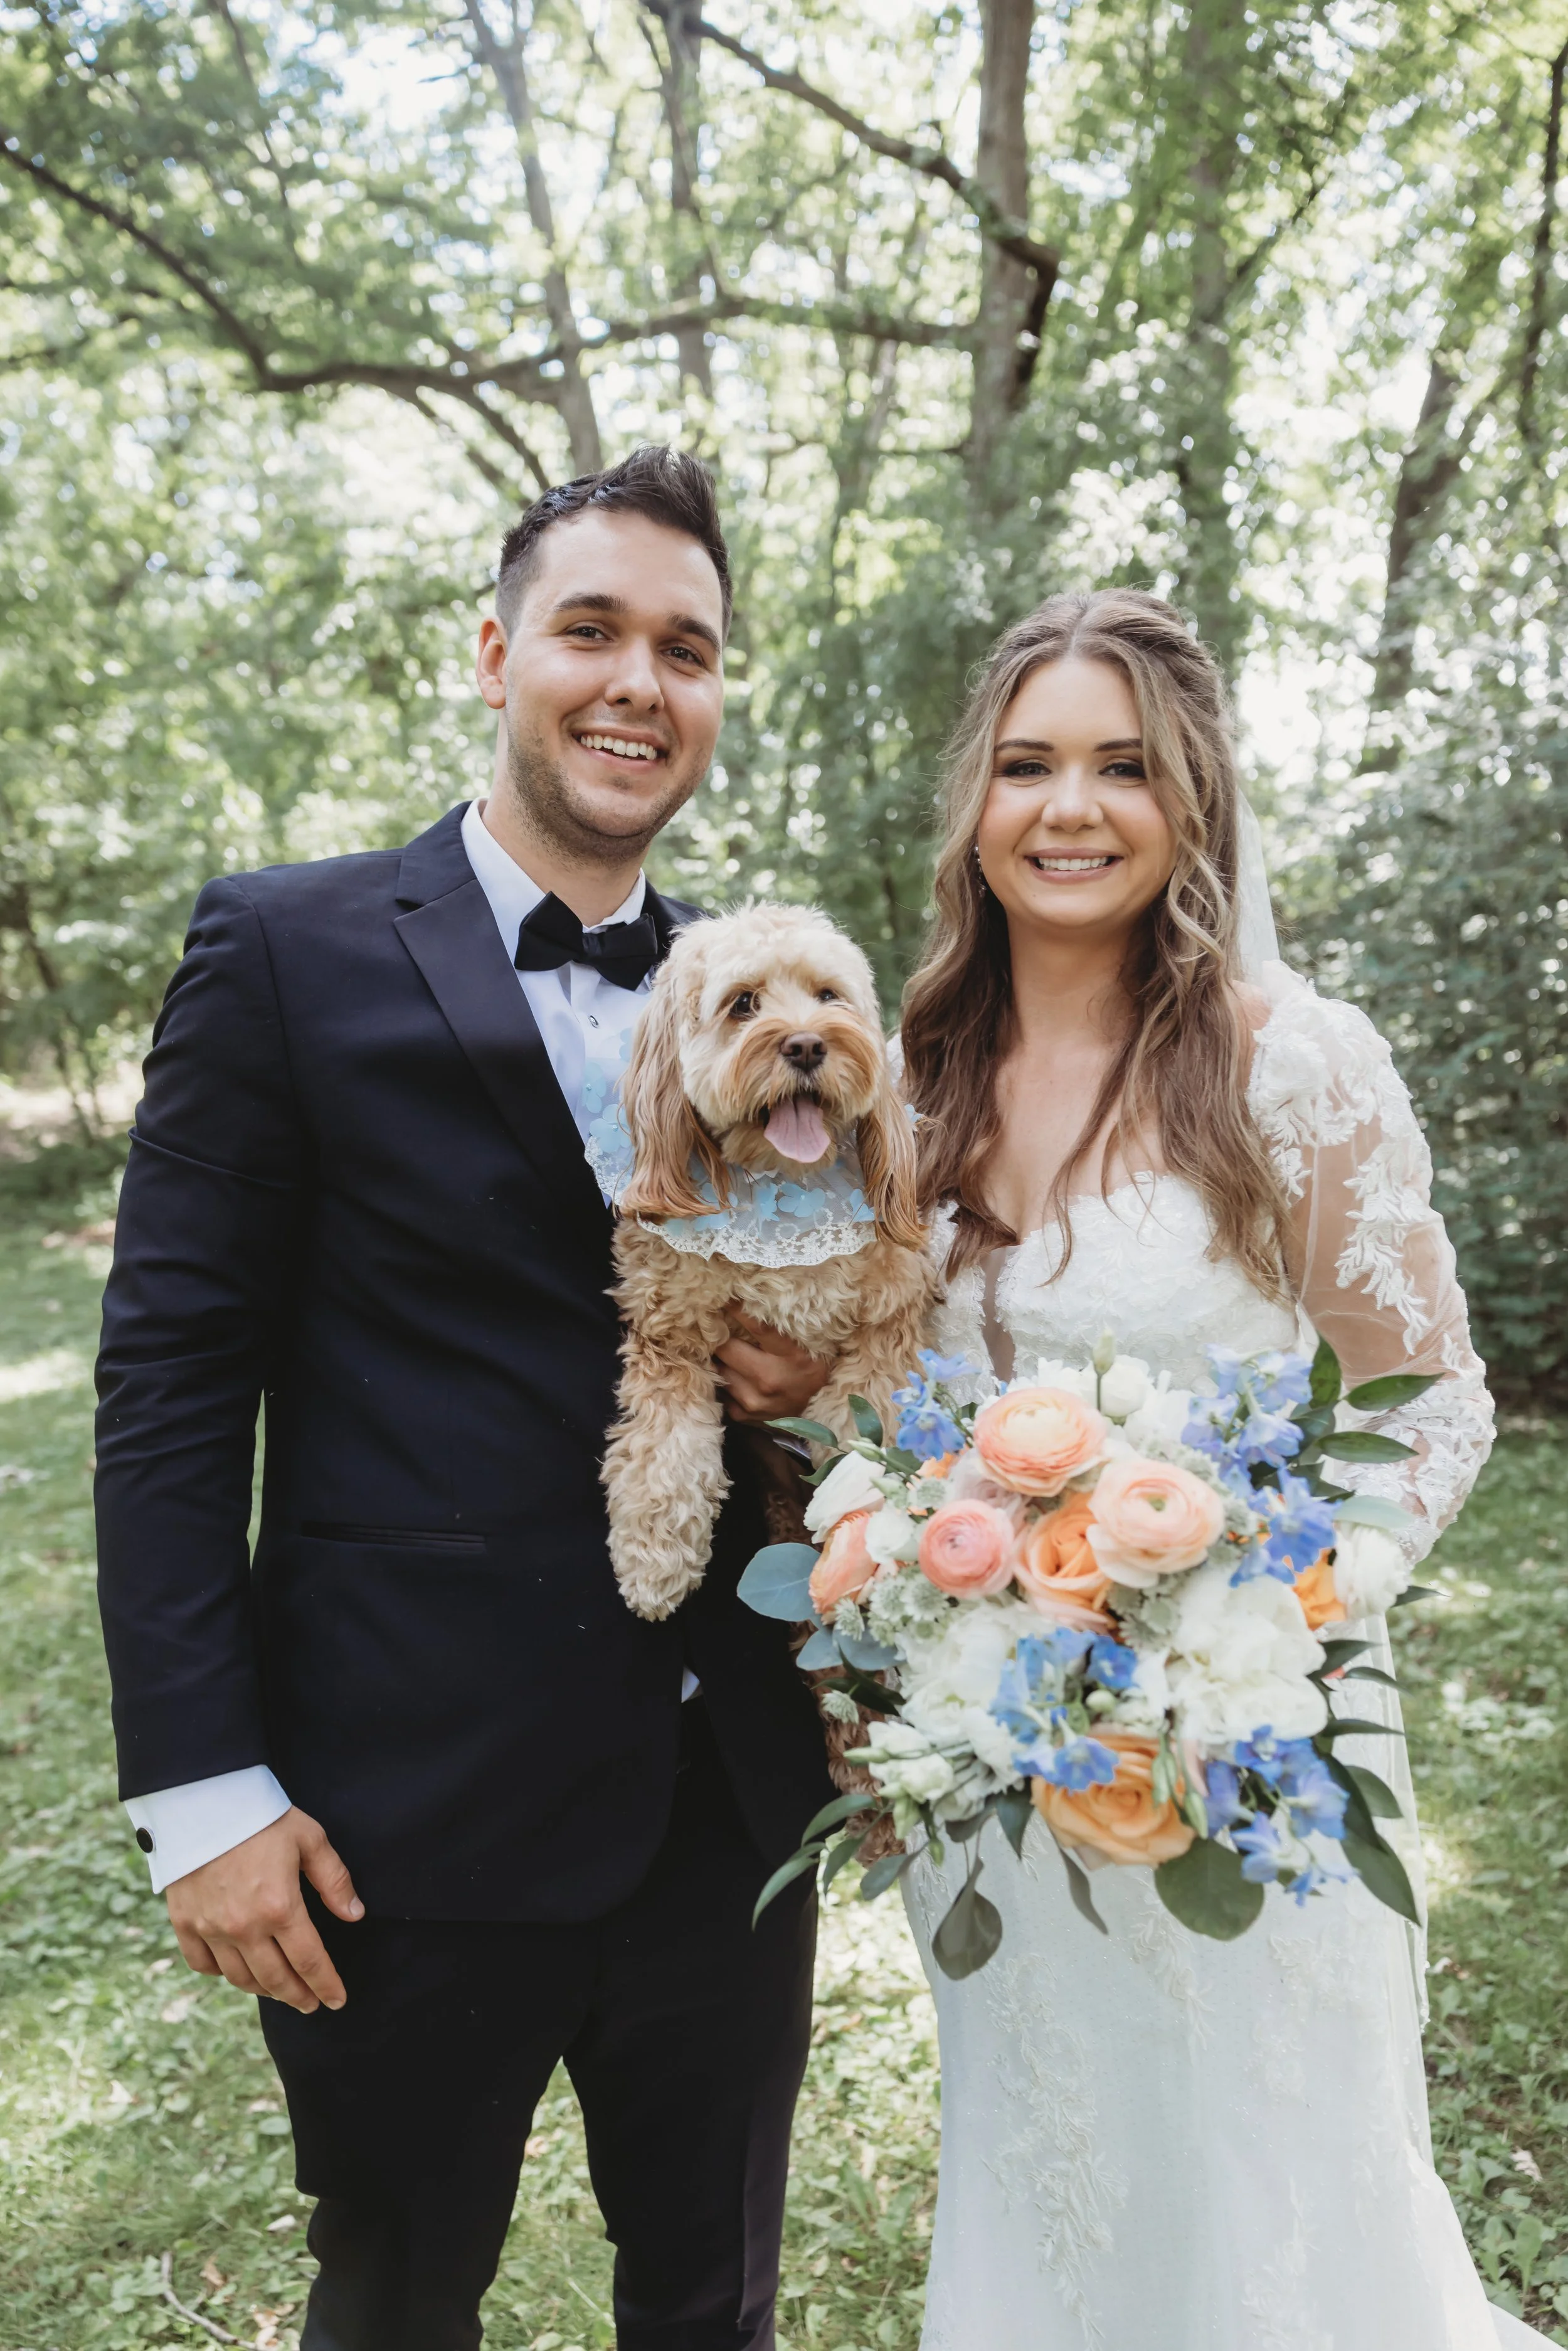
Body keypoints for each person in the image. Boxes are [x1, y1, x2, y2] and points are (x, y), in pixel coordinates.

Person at [94, 445, 835, 2351]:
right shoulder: (282, 947)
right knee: (400, 2297)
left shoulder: (766, 998)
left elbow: (838, 1337)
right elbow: (172, 1386)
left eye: (687, 646)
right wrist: (201, 1791)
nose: (635, 682)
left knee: (712, 2303)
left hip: (723, 1803)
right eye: (589, 629)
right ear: (495, 650)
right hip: (399, 1815)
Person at [896, 589, 1543, 2350]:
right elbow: (886, 1418)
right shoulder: (915, 1078)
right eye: (1026, 764)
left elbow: (1432, 1395)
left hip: (1252, 1742)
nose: (1068, 806)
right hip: (1013, 1767)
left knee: (1271, 2196)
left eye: (1122, 766)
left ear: (1191, 803)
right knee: (1055, 2176)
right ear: (977, 803)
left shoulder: (1289, 1065)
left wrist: (1285, 1620)